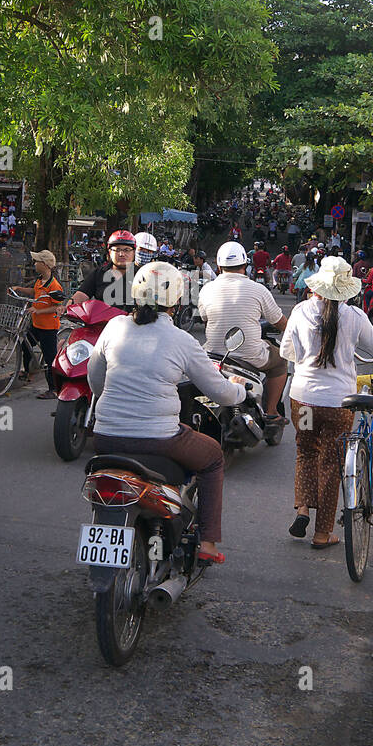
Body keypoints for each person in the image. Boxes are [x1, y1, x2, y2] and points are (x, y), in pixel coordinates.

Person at [88, 262, 247, 565]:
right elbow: (220, 393)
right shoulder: (182, 341)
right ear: (176, 301)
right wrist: (241, 389)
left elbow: (96, 381)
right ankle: (209, 543)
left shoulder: (114, 327)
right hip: (158, 439)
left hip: (105, 437)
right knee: (213, 458)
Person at [280, 257, 373, 548]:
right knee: (331, 465)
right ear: (346, 289)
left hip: (304, 403)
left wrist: (310, 361)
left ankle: (302, 508)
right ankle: (322, 534)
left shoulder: (300, 311)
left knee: (306, 450)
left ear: (318, 286)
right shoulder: (354, 317)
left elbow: (287, 351)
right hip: (338, 406)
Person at [199, 242, 289, 422]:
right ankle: (271, 411)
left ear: (219, 265)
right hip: (249, 355)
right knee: (281, 362)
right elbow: (279, 321)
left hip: (214, 354)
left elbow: (204, 318)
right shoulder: (258, 289)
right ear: (245, 265)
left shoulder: (207, 289)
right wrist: (293, 333)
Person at [14, 250, 64, 398]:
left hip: (48, 327)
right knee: (25, 347)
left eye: (37, 262)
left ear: (45, 265)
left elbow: (57, 307)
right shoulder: (39, 280)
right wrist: (19, 289)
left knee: (50, 359)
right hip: (36, 324)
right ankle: (27, 372)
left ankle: (53, 389)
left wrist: (38, 310)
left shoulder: (54, 286)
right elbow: (34, 292)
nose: (34, 264)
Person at [70, 230, 137, 312]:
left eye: (126, 250)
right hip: (103, 322)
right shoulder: (98, 273)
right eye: (117, 250)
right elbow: (81, 295)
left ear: (134, 252)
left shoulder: (143, 274)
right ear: (109, 252)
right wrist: (67, 308)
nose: (121, 254)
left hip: (135, 322)